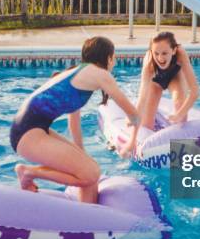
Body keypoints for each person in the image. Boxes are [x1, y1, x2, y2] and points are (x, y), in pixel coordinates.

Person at [11, 36, 140, 204]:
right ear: (108, 58)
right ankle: (28, 172)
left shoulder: (78, 74)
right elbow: (133, 113)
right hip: (27, 132)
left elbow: (74, 123)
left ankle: (88, 216)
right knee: (91, 173)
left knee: (89, 172)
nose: (114, 62)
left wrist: (81, 154)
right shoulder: (100, 74)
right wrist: (132, 130)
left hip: (32, 127)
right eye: (113, 58)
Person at [136, 32, 199, 130]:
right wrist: (133, 116)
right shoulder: (149, 63)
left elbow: (195, 91)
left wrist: (179, 115)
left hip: (175, 78)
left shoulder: (180, 54)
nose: (160, 58)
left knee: (181, 111)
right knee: (147, 124)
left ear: (173, 50)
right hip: (155, 82)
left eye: (164, 53)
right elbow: (142, 97)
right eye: (156, 53)